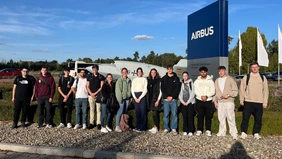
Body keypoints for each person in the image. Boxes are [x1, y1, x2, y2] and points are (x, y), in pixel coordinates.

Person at [239, 62, 269, 139]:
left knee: (258, 119)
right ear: (250, 68)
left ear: (258, 67)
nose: (255, 68)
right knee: (245, 118)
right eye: (253, 67)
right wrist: (241, 99)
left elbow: (266, 91)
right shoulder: (247, 77)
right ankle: (243, 132)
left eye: (256, 67)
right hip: (248, 101)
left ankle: (256, 133)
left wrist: (265, 102)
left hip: (259, 102)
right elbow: (242, 89)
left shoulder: (263, 78)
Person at [213, 66, 238, 140]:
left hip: (229, 101)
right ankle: (222, 131)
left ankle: (233, 132)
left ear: (225, 71)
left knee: (230, 117)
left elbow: (235, 91)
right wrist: (215, 102)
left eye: (222, 71)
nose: (221, 72)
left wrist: (228, 95)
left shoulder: (230, 79)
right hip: (220, 102)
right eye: (219, 71)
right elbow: (215, 92)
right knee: (221, 117)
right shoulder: (217, 80)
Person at [194, 66, 215, 136]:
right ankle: (199, 129)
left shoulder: (210, 81)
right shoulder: (197, 81)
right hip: (199, 100)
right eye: (202, 72)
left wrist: (206, 96)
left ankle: (208, 130)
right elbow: (195, 90)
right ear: (200, 73)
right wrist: (201, 96)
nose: (203, 73)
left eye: (204, 72)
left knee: (208, 116)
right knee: (200, 116)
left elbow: (213, 90)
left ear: (206, 72)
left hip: (208, 100)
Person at [161, 65, 181, 135]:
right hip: (166, 100)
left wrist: (172, 96)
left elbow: (177, 89)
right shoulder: (163, 79)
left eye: (171, 69)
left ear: (172, 70)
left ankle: (174, 128)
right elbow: (162, 89)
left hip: (174, 100)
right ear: (167, 70)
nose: (170, 70)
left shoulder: (176, 78)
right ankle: (166, 128)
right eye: (168, 69)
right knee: (166, 114)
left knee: (174, 114)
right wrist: (167, 96)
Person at [86, 64, 105, 130]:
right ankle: (91, 122)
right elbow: (87, 86)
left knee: (98, 110)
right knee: (91, 109)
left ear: (97, 69)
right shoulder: (89, 76)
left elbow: (101, 87)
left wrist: (95, 93)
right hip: (90, 95)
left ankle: (98, 123)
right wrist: (91, 93)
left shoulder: (101, 77)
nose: (94, 70)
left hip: (98, 96)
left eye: (95, 69)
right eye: (93, 69)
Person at [178, 71, 195, 136]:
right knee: (184, 117)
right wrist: (182, 102)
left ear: (188, 76)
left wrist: (188, 102)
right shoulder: (181, 83)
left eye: (186, 76)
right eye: (184, 76)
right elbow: (180, 93)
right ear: (182, 77)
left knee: (190, 116)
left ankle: (191, 130)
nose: (185, 77)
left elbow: (193, 93)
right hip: (183, 103)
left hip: (190, 102)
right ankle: (185, 130)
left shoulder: (191, 83)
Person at [115, 68, 131, 132]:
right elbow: (118, 90)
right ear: (122, 73)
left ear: (127, 72)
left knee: (124, 112)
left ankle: (123, 125)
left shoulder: (128, 80)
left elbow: (130, 89)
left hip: (127, 99)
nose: (124, 73)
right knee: (120, 112)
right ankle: (117, 126)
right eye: (123, 72)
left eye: (125, 72)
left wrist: (130, 97)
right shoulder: (119, 80)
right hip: (122, 99)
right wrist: (119, 99)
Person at [131, 67, 148, 132]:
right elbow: (132, 89)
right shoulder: (134, 80)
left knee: (143, 112)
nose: (139, 73)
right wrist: (135, 98)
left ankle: (143, 127)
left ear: (142, 72)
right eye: (138, 71)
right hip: (135, 95)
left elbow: (145, 90)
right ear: (137, 73)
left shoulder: (144, 79)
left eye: (140, 71)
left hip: (142, 96)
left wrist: (140, 98)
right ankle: (138, 126)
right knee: (137, 112)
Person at [147, 68, 162, 134]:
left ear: (156, 73)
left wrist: (158, 100)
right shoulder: (148, 80)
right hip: (150, 99)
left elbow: (161, 91)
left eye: (154, 72)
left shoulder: (159, 80)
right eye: (152, 72)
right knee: (153, 113)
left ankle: (156, 127)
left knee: (155, 113)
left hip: (156, 99)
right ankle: (154, 126)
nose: (153, 73)